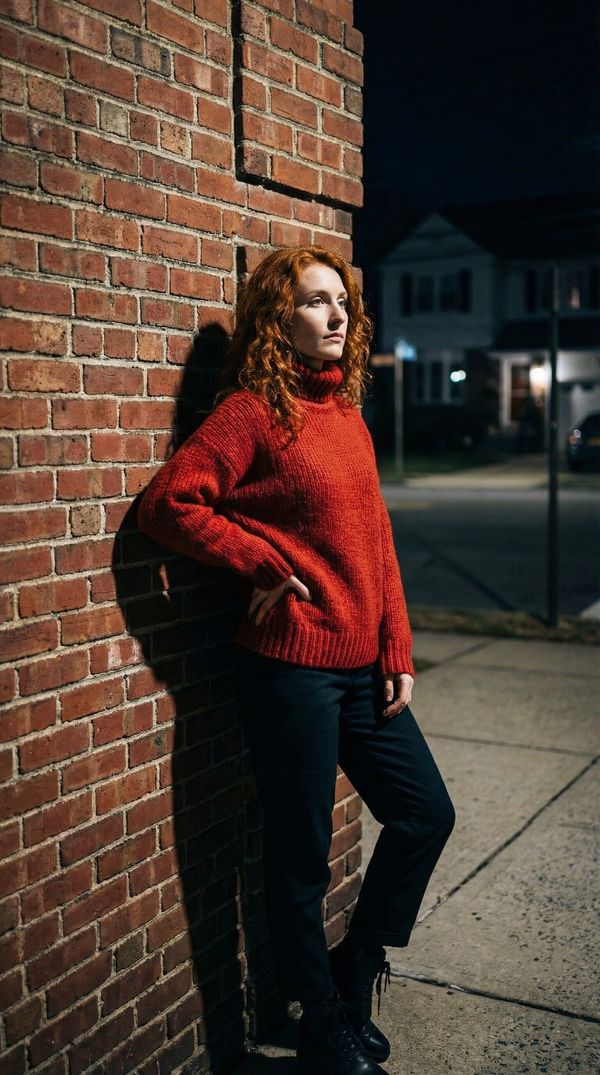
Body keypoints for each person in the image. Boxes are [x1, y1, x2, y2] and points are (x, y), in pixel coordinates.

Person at [137, 246, 456, 1075]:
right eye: (317, 301)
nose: (338, 314)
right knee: (300, 855)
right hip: (290, 671)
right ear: (280, 319)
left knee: (425, 813)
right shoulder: (250, 413)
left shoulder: (345, 413)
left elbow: (376, 537)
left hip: (361, 665)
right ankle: (320, 1024)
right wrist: (259, 561)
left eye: (342, 300)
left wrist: (396, 645)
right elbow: (169, 502)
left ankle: (352, 969)